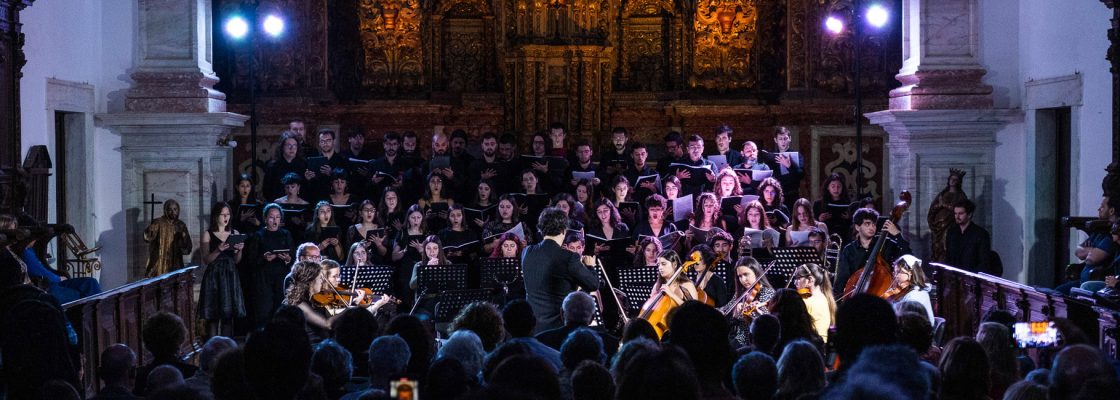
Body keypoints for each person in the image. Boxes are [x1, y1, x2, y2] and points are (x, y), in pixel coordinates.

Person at [522, 207, 600, 333]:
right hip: (558, 330)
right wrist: (590, 266)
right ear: (564, 230)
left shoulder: (527, 252)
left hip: (533, 328)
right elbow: (593, 284)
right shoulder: (569, 257)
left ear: (541, 229)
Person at [834, 207, 911, 299]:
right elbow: (842, 279)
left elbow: (908, 257)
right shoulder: (849, 250)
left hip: (882, 296)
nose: (872, 227)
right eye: (867, 224)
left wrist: (897, 235)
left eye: (874, 224)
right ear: (857, 227)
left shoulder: (887, 243)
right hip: (856, 296)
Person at [198, 202, 247, 337]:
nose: (226, 217)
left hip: (230, 275)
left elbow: (236, 260)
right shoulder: (207, 234)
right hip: (214, 277)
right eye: (223, 214)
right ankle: (212, 347)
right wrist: (218, 250)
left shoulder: (234, 233)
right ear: (216, 216)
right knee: (212, 317)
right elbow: (206, 260)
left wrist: (239, 250)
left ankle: (226, 347)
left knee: (228, 317)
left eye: (228, 214)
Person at [244, 203, 294, 328]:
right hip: (263, 279)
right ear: (265, 219)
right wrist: (264, 258)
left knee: (280, 311)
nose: (275, 220)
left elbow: (293, 256)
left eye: (277, 217)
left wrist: (287, 259)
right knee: (264, 312)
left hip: (281, 278)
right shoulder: (259, 235)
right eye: (271, 217)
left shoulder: (286, 234)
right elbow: (250, 260)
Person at [928, 168, 969, 263]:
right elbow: (934, 208)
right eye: (951, 178)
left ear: (958, 182)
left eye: (955, 179)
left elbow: (961, 209)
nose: (952, 181)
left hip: (951, 224)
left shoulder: (961, 196)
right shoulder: (942, 194)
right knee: (938, 246)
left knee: (947, 246)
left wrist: (944, 205)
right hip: (939, 226)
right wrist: (938, 206)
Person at [143, 199, 192, 277]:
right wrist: (151, 229)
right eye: (170, 210)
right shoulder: (158, 222)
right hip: (160, 261)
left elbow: (187, 247)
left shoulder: (181, 225)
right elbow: (147, 238)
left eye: (175, 209)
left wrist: (184, 237)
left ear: (178, 210)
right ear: (166, 210)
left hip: (176, 262)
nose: (173, 212)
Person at [945, 199, 993, 274]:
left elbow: (984, 262)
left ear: (969, 215)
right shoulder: (951, 233)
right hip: (954, 277)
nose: (957, 216)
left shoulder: (981, 234)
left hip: (972, 277)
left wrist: (970, 276)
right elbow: (948, 257)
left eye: (960, 213)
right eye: (955, 213)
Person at [790, 263, 836, 341]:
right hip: (821, 344)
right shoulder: (824, 298)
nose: (795, 282)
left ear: (810, 280)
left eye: (798, 278)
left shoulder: (806, 301)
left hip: (810, 344)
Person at [883, 255, 935, 323]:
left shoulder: (916, 294)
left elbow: (907, 321)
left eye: (898, 272)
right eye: (895, 272)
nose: (895, 276)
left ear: (910, 272)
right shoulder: (905, 291)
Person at [766, 126, 804, 210]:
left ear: (789, 139)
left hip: (792, 194)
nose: (783, 141)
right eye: (780, 139)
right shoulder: (772, 156)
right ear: (775, 140)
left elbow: (801, 175)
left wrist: (789, 166)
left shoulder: (797, 155)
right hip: (775, 195)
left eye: (785, 138)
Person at [263, 132, 308, 201]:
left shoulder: (304, 165)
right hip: (278, 204)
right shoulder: (273, 166)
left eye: (294, 145)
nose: (292, 148)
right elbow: (267, 190)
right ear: (282, 147)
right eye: (288, 145)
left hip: (299, 204)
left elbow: (307, 189)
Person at [346, 200, 389, 264]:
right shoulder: (352, 229)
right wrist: (360, 246)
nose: (369, 212)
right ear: (360, 213)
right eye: (366, 210)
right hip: (358, 265)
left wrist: (379, 245)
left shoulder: (380, 228)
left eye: (372, 210)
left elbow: (384, 253)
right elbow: (349, 252)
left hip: (376, 264)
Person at [813, 173, 852, 243]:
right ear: (828, 187)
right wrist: (820, 219)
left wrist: (849, 218)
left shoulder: (848, 204)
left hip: (844, 236)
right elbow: (813, 223)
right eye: (833, 186)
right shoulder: (818, 204)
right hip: (825, 236)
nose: (836, 189)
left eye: (838, 186)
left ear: (842, 188)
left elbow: (853, 224)